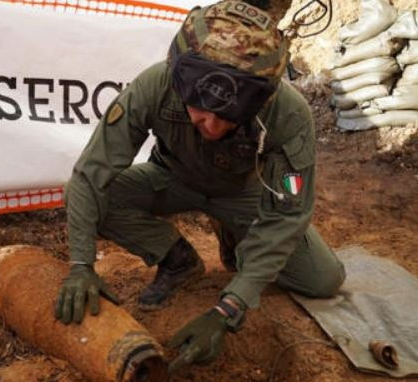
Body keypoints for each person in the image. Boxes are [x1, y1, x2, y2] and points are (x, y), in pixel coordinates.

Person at [53, 0, 346, 372]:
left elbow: (288, 216)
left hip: (244, 195)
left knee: (324, 279)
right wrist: (81, 264)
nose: (209, 125)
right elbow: (89, 176)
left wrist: (229, 308)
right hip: (172, 179)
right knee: (86, 198)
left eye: (227, 115)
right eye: (198, 107)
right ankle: (177, 258)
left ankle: (234, 233)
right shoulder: (155, 84)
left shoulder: (287, 113)